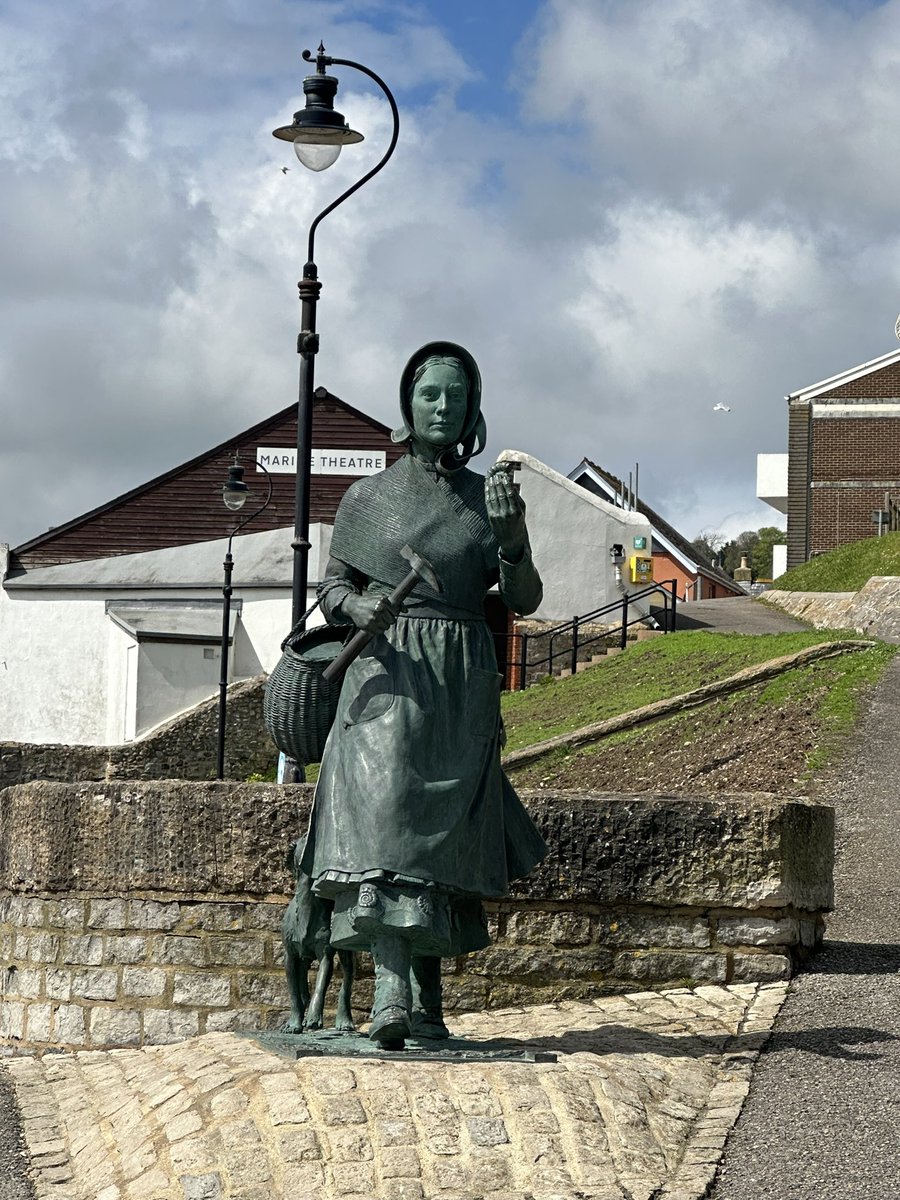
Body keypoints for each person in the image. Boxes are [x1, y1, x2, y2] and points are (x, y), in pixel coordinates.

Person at [300, 340, 547, 1050]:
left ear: (474, 408)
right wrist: (354, 610)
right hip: (385, 670)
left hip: (461, 675)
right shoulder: (368, 497)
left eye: (456, 396)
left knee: (444, 836)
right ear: (407, 404)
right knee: (385, 822)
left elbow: (524, 598)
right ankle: (389, 993)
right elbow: (333, 585)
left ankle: (427, 1001)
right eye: (430, 393)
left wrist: (512, 539)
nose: (443, 406)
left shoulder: (485, 499)